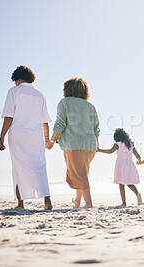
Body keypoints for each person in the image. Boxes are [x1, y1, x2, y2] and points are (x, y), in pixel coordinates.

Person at [0, 65, 52, 210]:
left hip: (18, 135)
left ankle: (21, 203)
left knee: (18, 167)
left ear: (18, 78)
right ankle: (47, 199)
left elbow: (9, 116)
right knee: (40, 166)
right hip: (36, 136)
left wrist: (1, 136)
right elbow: (44, 120)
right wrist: (47, 138)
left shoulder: (13, 92)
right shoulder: (40, 94)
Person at [46, 78, 99, 208]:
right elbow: (96, 127)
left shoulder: (64, 103)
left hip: (74, 144)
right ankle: (78, 201)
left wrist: (52, 140)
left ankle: (89, 203)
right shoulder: (90, 105)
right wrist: (96, 145)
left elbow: (60, 123)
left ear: (67, 89)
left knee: (79, 174)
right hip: (90, 146)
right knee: (81, 173)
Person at [97, 128, 143, 207]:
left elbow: (110, 151)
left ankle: (124, 203)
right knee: (129, 183)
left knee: (121, 184)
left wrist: (99, 150)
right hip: (130, 165)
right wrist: (140, 160)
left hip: (121, 165)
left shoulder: (118, 144)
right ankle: (137, 194)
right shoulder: (130, 144)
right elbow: (137, 155)